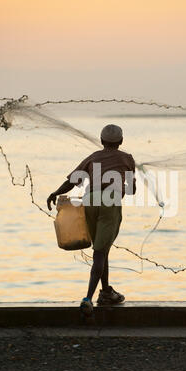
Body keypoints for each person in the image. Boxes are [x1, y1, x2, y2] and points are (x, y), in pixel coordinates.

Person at [47, 124, 136, 317]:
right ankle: (88, 298)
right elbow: (131, 190)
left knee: (102, 250)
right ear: (121, 141)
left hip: (90, 202)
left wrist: (55, 192)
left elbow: (72, 180)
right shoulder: (127, 159)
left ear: (102, 141)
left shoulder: (93, 157)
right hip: (109, 203)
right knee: (100, 253)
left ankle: (106, 293)